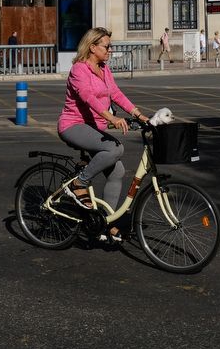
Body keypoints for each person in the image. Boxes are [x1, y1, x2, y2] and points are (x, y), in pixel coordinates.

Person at [57, 27, 151, 243]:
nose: (110, 50)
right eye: (106, 46)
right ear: (92, 47)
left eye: (110, 46)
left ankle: (107, 224)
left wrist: (139, 114)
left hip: (94, 128)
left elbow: (116, 94)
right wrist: (112, 118)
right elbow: (88, 97)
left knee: (117, 171)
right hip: (73, 125)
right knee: (115, 148)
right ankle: (79, 184)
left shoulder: (104, 69)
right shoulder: (79, 70)